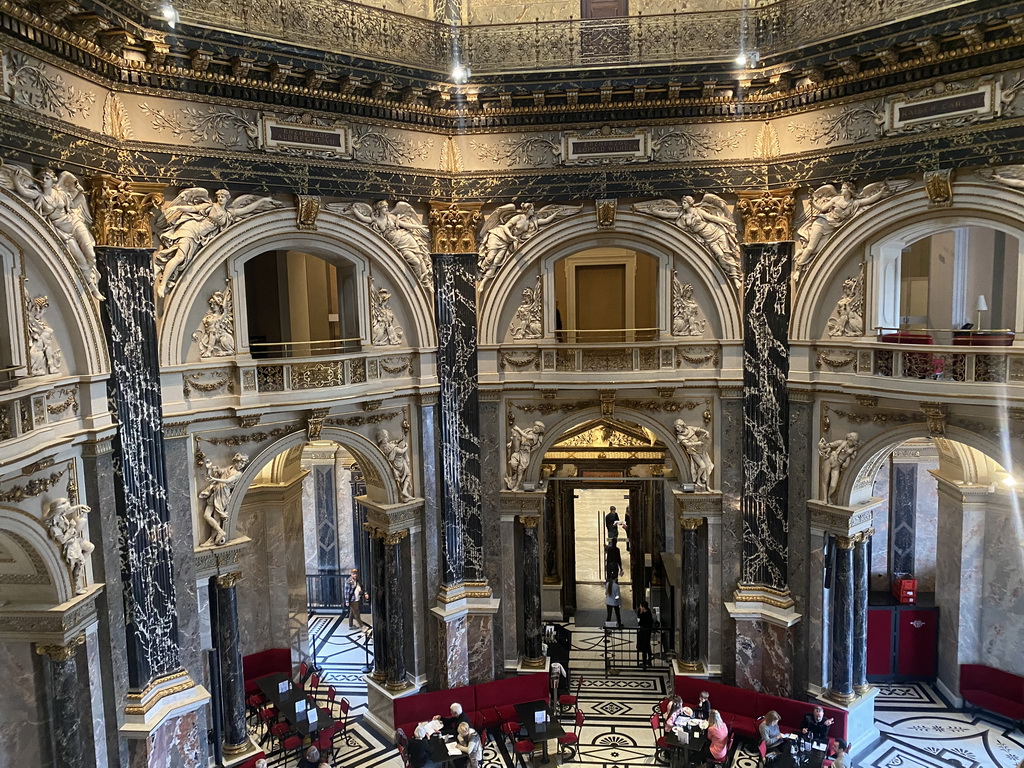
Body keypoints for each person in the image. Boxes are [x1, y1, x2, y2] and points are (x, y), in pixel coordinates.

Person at [636, 600, 654, 667]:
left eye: (641, 606)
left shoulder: (644, 615)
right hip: (647, 632)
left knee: (644, 647)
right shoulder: (648, 612)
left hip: (644, 632)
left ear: (643, 607)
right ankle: (649, 661)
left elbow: (640, 622)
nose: (640, 607)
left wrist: (640, 613)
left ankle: (644, 663)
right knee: (648, 646)